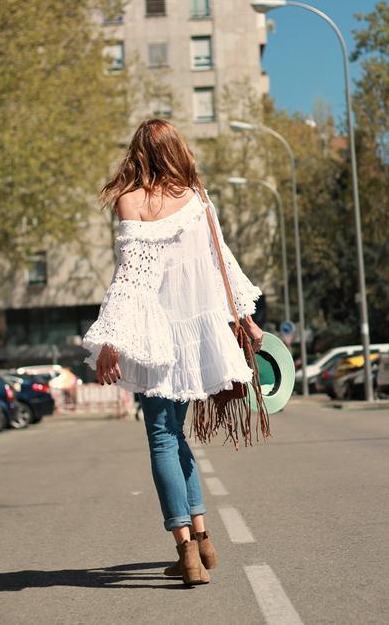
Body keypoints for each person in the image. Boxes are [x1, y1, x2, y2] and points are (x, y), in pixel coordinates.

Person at [82, 119, 264, 586]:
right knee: (177, 437)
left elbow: (130, 279)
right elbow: (222, 260)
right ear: (177, 150)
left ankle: (186, 551)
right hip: (194, 337)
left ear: (137, 154)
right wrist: (244, 316)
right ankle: (203, 538)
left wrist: (110, 340)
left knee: (162, 438)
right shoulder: (197, 197)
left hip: (153, 336)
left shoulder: (131, 202)